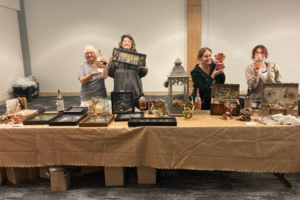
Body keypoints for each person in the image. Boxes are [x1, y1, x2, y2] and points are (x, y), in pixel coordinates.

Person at [108, 34, 148, 100]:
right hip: (119, 92)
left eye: (129, 41)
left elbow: (142, 74)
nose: (126, 43)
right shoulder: (115, 56)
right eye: (125, 41)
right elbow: (110, 74)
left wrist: (144, 69)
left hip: (135, 93)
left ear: (132, 44)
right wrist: (112, 64)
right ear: (121, 43)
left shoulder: (138, 58)